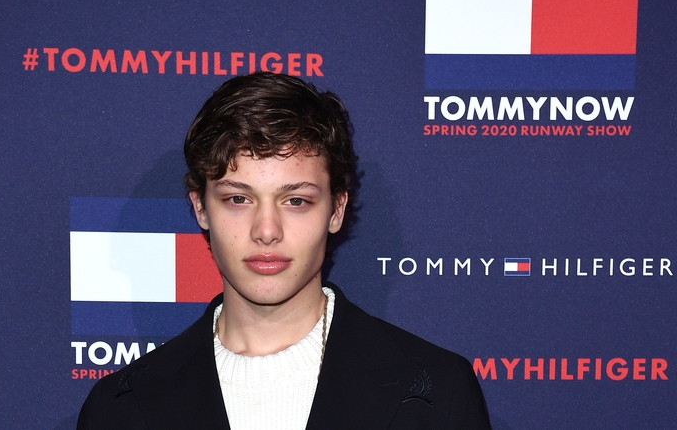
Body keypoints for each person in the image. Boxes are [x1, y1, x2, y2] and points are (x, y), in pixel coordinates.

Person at [77, 72, 492, 429]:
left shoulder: (437, 391)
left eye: (296, 201)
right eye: (238, 199)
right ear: (200, 207)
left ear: (337, 209)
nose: (266, 231)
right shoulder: (120, 409)